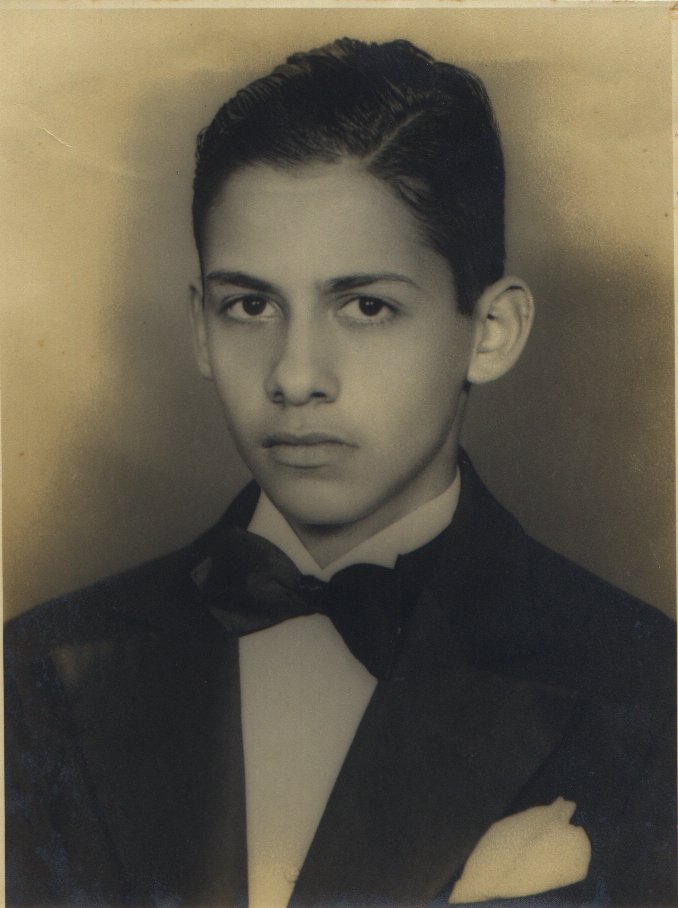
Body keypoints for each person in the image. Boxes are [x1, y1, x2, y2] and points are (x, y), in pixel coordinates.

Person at [4, 37, 675, 908]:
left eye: (365, 306)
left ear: (491, 332)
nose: (294, 376)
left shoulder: (647, 688)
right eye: (250, 305)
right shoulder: (35, 670)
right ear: (201, 328)